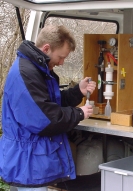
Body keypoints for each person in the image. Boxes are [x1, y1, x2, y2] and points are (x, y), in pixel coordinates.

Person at [0, 25, 96, 191]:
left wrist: (77, 91)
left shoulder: (37, 70)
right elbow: (45, 120)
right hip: (28, 163)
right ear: (46, 48)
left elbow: (52, 102)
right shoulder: (26, 74)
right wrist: (79, 113)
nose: (61, 62)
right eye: (60, 57)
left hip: (34, 160)